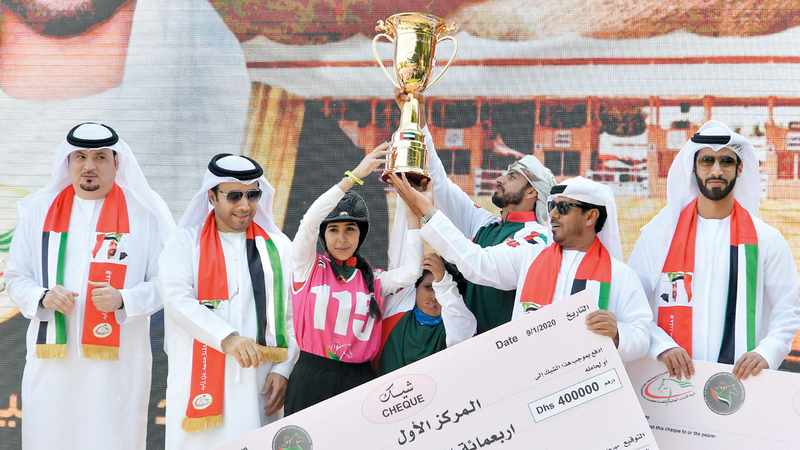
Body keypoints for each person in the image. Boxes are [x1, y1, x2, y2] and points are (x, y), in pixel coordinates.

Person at [5, 122, 175, 449]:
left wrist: (124, 299)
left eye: (100, 157)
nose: (89, 166)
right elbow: (15, 276)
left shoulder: (144, 212)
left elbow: (166, 282)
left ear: (117, 162)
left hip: (118, 364)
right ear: (67, 162)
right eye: (80, 157)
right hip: (53, 361)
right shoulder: (39, 210)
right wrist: (42, 296)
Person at [392, 174, 652, 362]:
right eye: (552, 206)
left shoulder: (619, 275)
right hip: (527, 386)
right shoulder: (532, 253)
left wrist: (618, 333)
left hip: (584, 392)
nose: (553, 214)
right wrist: (428, 212)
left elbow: (642, 334)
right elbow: (477, 262)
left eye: (563, 208)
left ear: (591, 216)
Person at [628, 120, 800, 380]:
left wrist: (767, 352)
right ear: (693, 167)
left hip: (741, 384)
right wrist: (661, 345)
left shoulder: (766, 239)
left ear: (740, 169)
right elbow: (631, 303)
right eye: (707, 160)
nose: (716, 171)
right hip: (667, 379)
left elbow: (788, 308)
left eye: (726, 162)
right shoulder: (659, 236)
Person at [157, 154, 297, 448]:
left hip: (259, 384)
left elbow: (293, 316)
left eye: (252, 195)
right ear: (212, 196)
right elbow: (176, 300)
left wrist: (283, 370)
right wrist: (227, 337)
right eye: (234, 196)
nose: (245, 205)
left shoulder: (279, 248)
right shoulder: (184, 243)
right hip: (198, 378)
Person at [390, 89, 557, 334]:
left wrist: (428, 213)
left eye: (512, 177)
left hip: (504, 350)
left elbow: (481, 265)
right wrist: (416, 118)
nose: (500, 179)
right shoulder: (487, 224)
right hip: (464, 346)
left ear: (532, 192)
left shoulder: (538, 239)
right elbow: (440, 184)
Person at [284, 143, 424, 415]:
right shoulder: (307, 267)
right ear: (323, 234)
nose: (342, 238)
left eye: (350, 229)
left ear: (361, 234)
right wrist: (354, 176)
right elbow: (309, 223)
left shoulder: (375, 280)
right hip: (309, 378)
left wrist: (412, 212)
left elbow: (412, 272)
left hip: (358, 382)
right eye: (333, 230)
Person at [374, 253, 477, 377]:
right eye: (428, 287)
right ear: (416, 287)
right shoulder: (396, 308)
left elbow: (459, 318)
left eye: (440, 292)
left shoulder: (456, 331)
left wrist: (443, 280)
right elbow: (404, 258)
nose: (434, 297)